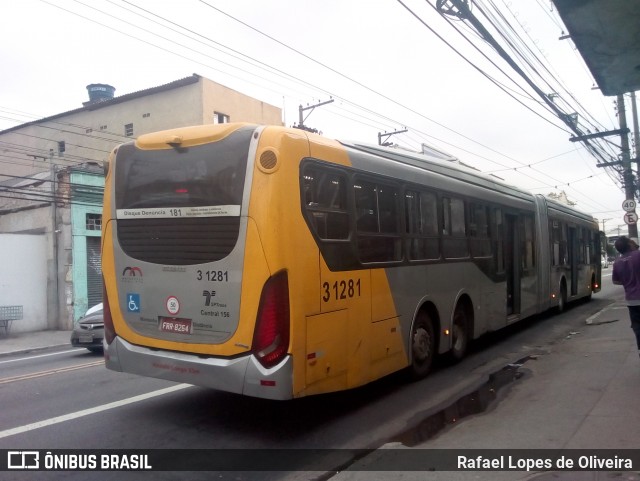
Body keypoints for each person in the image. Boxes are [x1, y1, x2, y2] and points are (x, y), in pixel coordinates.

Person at [611, 236, 640, 358]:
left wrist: (628, 281)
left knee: (638, 327)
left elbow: (616, 281)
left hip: (632, 301)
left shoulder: (617, 262)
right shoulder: (638, 255)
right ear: (629, 244)